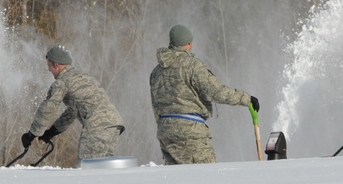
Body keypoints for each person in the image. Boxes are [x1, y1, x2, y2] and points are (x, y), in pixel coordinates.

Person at [149, 24, 259, 165]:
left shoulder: (157, 71)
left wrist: (164, 126)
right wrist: (246, 98)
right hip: (191, 133)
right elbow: (216, 92)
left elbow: (155, 103)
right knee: (206, 178)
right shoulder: (192, 66)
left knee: (178, 180)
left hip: (165, 132)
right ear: (188, 43)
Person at [21, 44, 125, 161]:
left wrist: (32, 134)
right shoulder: (84, 78)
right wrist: (52, 131)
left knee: (88, 167)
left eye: (49, 65)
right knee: (102, 166)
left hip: (97, 128)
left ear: (56, 64)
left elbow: (48, 108)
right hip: (113, 125)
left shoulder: (62, 82)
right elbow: (72, 112)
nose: (48, 69)